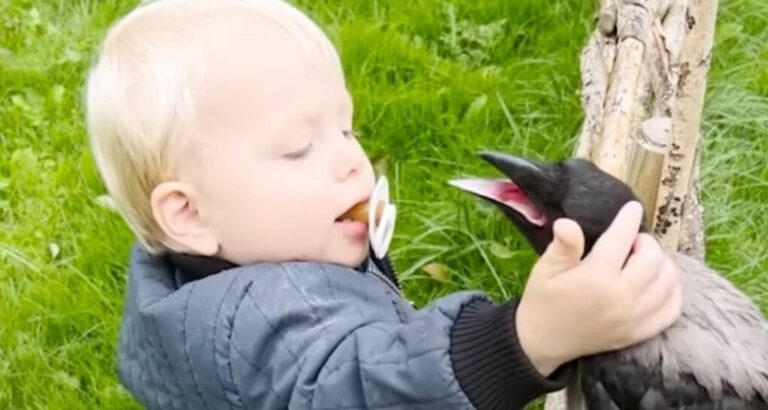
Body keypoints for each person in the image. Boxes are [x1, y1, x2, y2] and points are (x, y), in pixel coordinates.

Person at [85, 0, 682, 408]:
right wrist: (527, 336)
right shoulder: (265, 323)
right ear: (189, 214)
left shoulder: (191, 274)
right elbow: (369, 391)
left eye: (345, 129)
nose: (352, 160)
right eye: (297, 150)